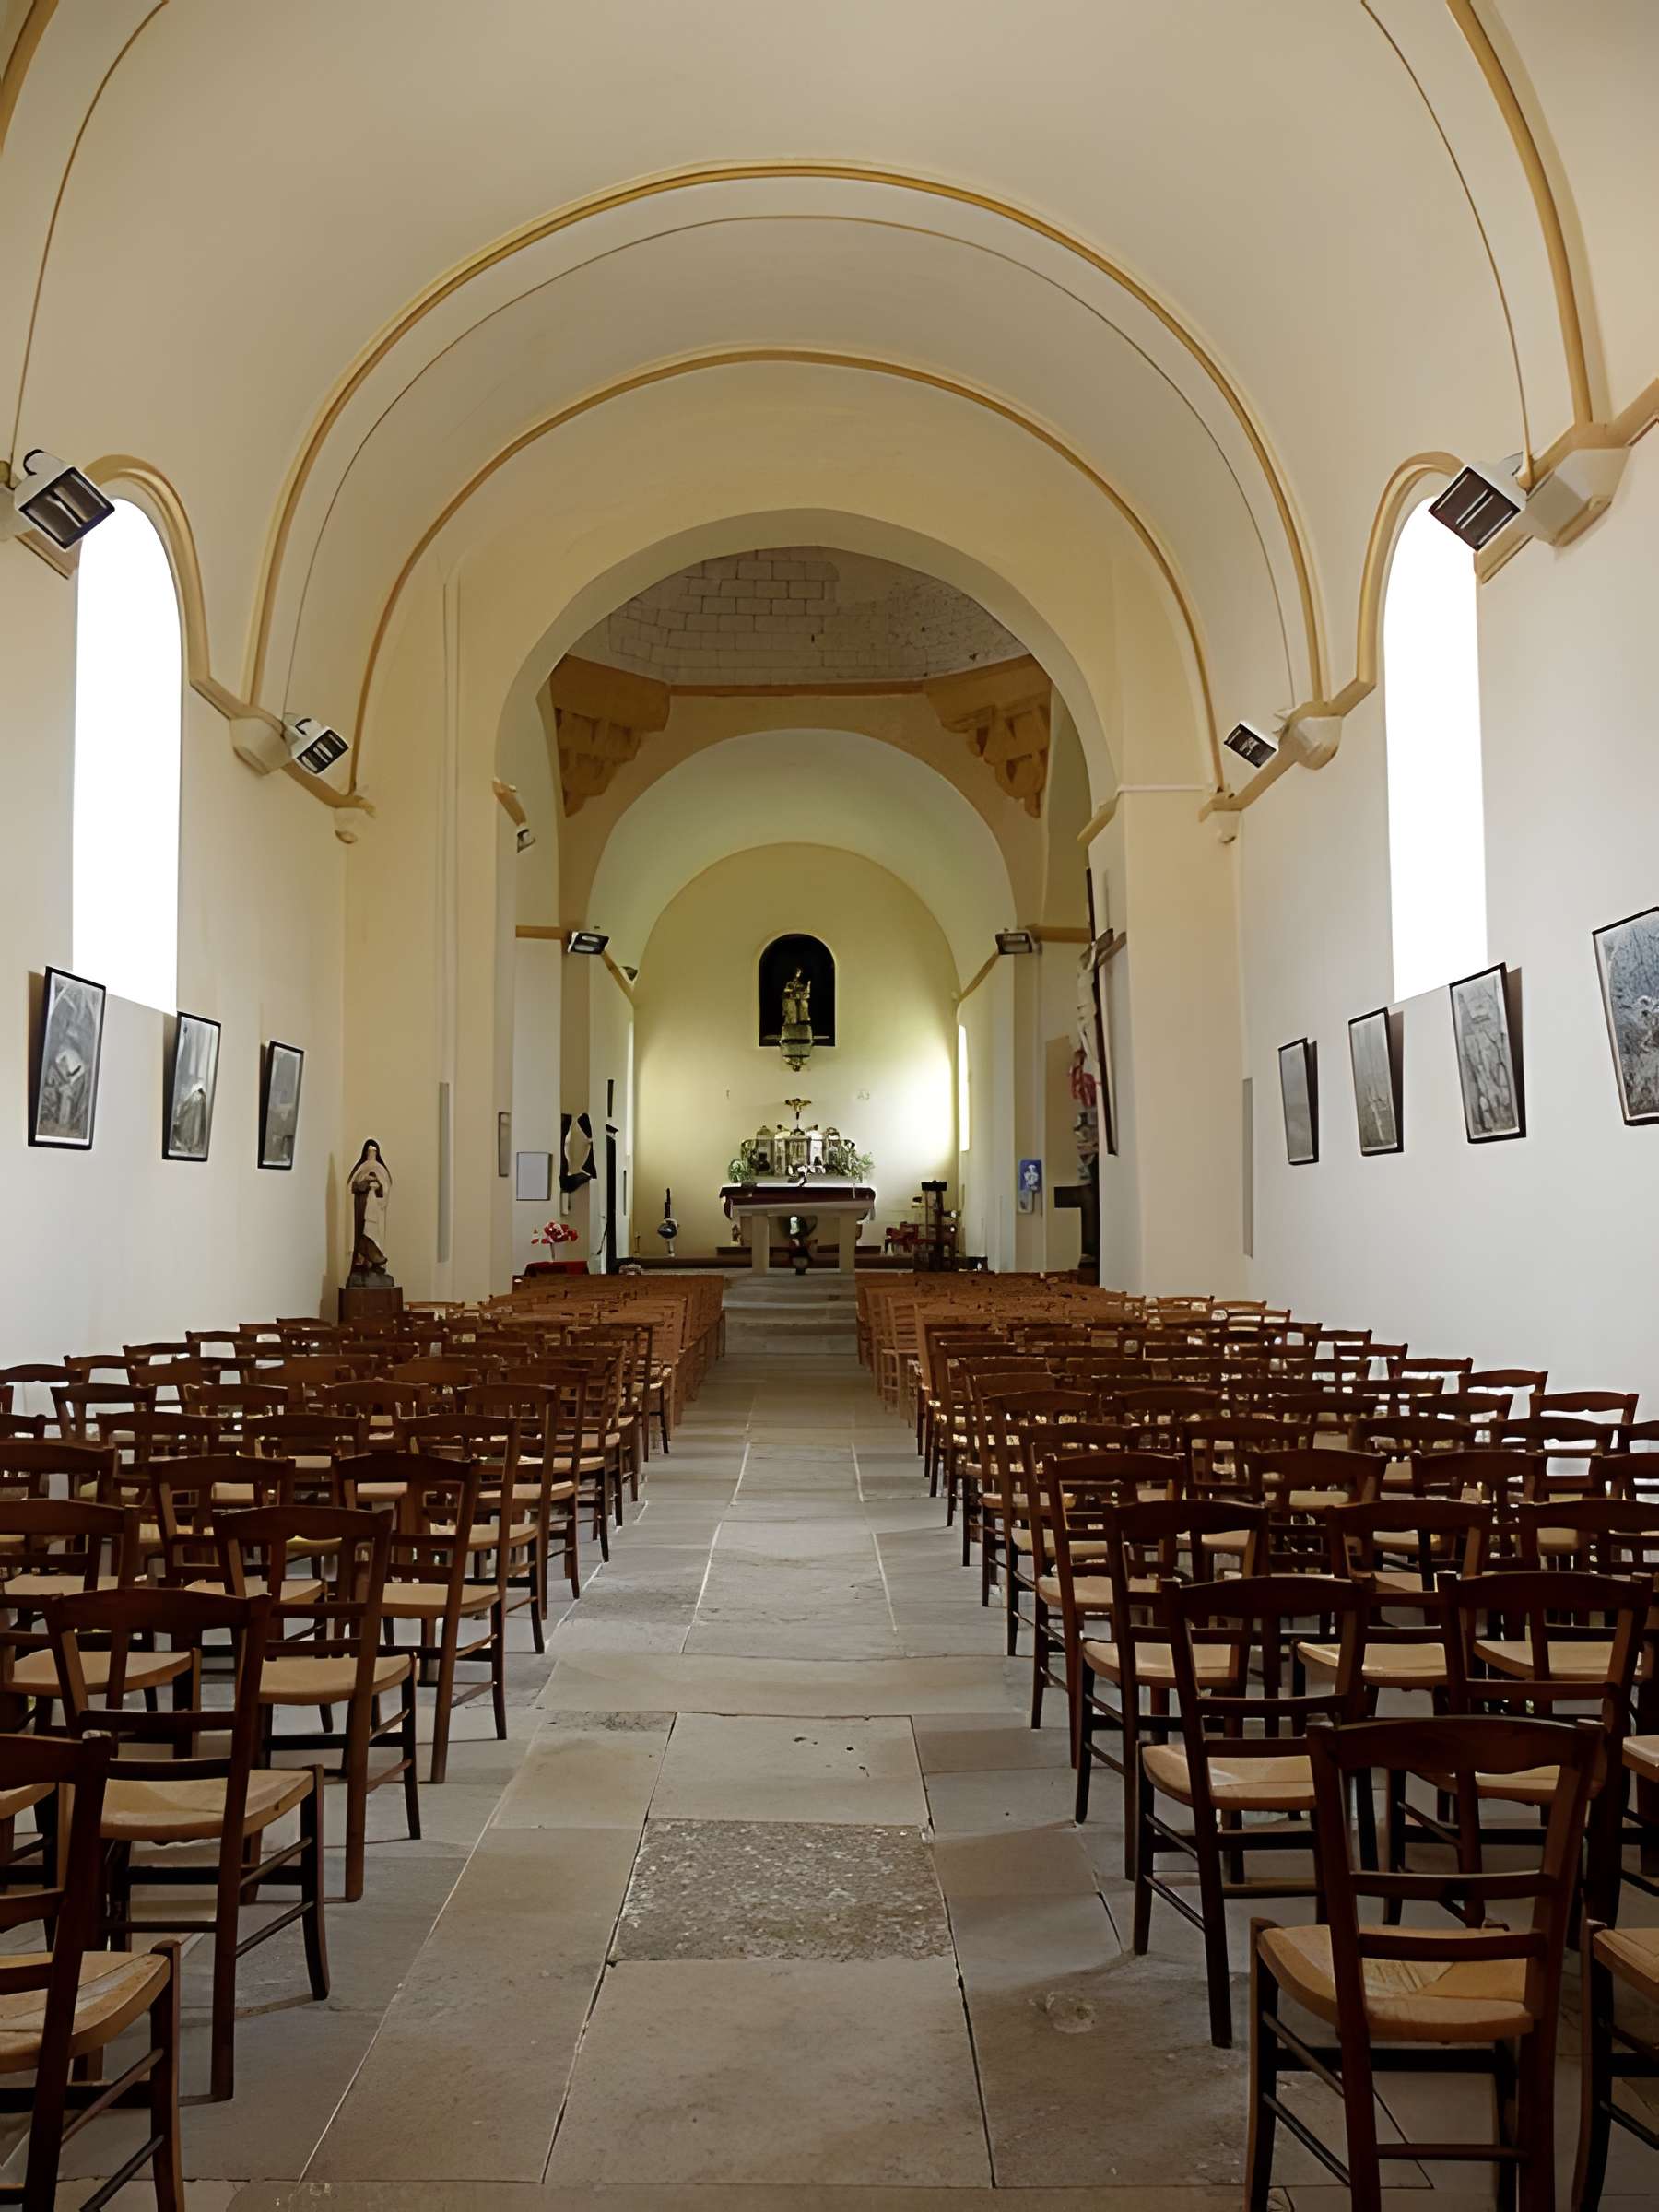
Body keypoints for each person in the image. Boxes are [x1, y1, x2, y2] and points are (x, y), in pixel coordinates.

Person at [347, 1138, 394, 1279]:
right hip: (361, 1207)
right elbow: (354, 1186)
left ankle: (376, 1263)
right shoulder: (361, 1169)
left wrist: (378, 1185)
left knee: (374, 1235)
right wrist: (365, 1184)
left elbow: (385, 1190)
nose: (371, 1153)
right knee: (362, 1234)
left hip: (376, 1211)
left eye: (374, 1151)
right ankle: (361, 1263)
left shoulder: (381, 1169)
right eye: (369, 1151)